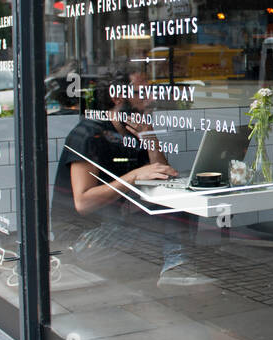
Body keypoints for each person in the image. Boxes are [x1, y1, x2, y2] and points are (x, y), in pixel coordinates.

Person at [50, 65, 188, 271]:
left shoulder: (135, 130)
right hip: (82, 238)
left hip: (118, 222)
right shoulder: (88, 134)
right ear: (117, 98)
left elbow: (164, 176)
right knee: (156, 234)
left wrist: (150, 138)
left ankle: (175, 266)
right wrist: (133, 176)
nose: (150, 99)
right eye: (141, 93)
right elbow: (83, 203)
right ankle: (175, 267)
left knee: (179, 204)